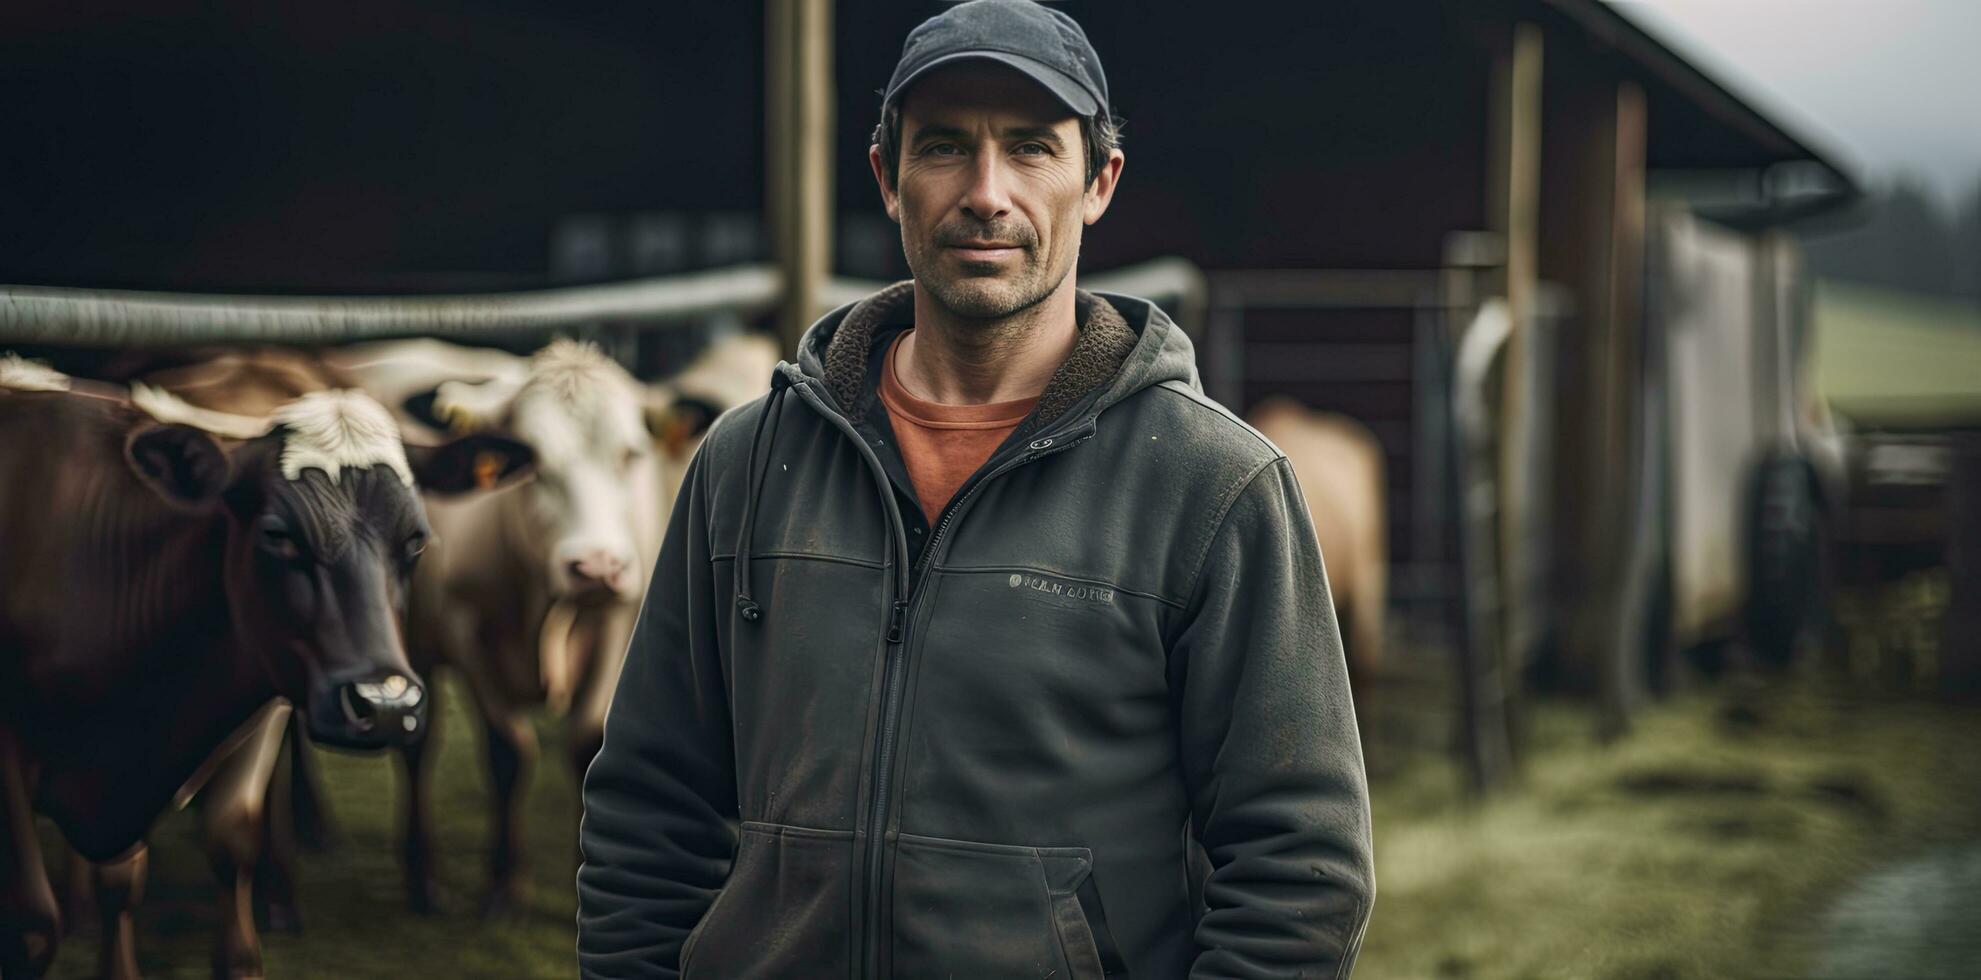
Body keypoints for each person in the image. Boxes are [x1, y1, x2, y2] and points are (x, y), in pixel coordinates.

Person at [577, 1, 1374, 976]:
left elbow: (1300, 862)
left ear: (1099, 182)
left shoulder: (1214, 488)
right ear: (887, 176)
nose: (985, 192)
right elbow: (648, 808)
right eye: (945, 147)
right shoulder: (743, 465)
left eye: (1032, 148)